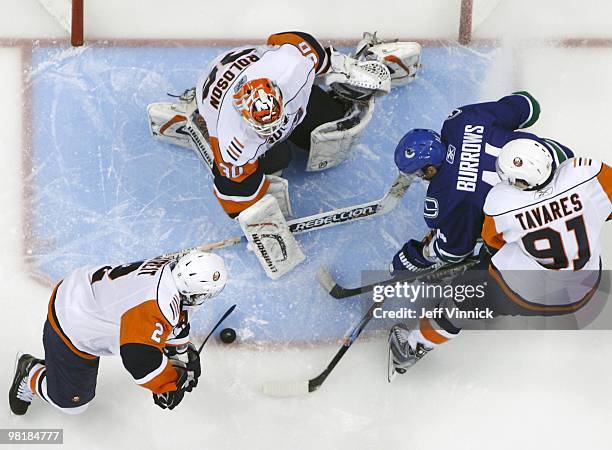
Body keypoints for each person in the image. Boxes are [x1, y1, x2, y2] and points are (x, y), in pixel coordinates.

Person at [147, 31, 422, 279]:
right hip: (215, 87)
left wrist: (345, 69)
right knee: (277, 160)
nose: (275, 131)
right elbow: (235, 198)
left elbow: (288, 40)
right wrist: (261, 221)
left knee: (337, 117)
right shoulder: (233, 143)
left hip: (249, 66)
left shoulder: (293, 65)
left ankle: (369, 58)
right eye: (266, 130)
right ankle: (194, 116)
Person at [387, 140, 611, 378]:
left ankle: (412, 347)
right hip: (588, 281)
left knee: (464, 296)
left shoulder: (501, 201)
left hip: (532, 293)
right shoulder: (586, 172)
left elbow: (492, 241)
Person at [9, 251, 227, 415]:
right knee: (71, 404)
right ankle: (30, 373)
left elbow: (175, 315)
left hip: (85, 291)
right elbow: (139, 360)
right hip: (73, 322)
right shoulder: (158, 305)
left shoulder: (174, 270)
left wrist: (182, 353)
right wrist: (169, 383)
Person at [389, 92, 574, 275]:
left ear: (430, 169)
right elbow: (529, 107)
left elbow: (454, 251)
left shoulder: (445, 196)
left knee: (486, 238)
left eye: (419, 173)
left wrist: (419, 255)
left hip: (541, 220)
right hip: (566, 165)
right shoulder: (461, 120)